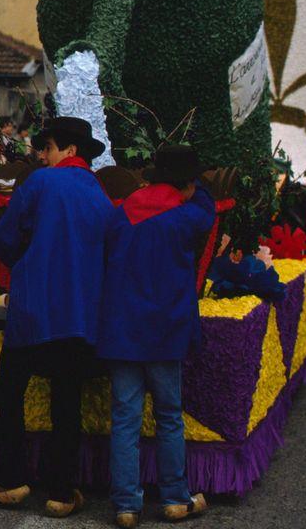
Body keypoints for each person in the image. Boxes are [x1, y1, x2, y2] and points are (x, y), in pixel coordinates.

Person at [0, 117, 114, 517]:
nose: (42, 155)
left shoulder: (39, 183)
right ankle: (62, 493)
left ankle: (10, 482)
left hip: (33, 309)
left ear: (66, 150)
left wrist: (24, 265)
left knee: (10, 393)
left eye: (46, 147)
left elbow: (5, 236)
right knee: (66, 403)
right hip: (79, 316)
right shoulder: (101, 197)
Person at [97, 145, 215, 528]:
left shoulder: (124, 210)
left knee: (125, 419)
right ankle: (175, 499)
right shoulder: (187, 215)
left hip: (122, 330)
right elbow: (209, 208)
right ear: (187, 183)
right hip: (165, 331)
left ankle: (126, 506)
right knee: (168, 417)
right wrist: (192, 185)